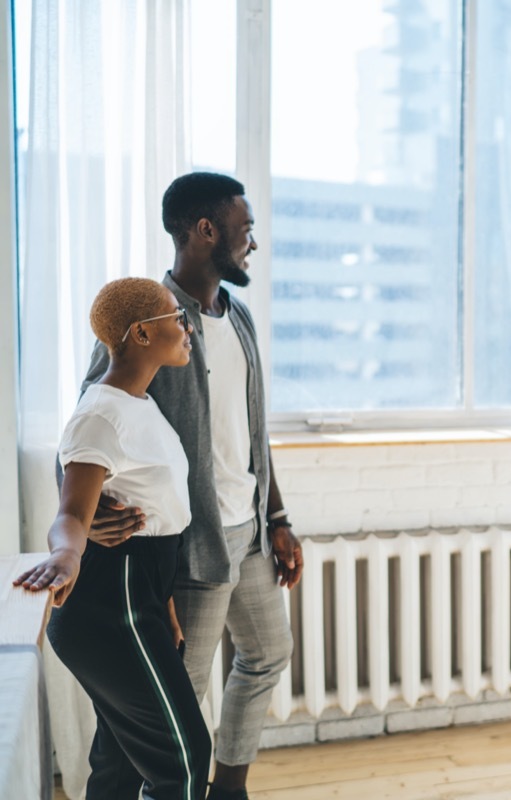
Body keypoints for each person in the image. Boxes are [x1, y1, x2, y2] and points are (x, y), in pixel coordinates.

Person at [77, 172, 304, 800]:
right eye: (245, 228)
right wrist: (86, 513)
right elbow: (89, 415)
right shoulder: (151, 320)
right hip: (191, 547)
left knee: (267, 654)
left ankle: (228, 789)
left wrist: (278, 518)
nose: (253, 243)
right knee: (177, 699)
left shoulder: (242, 318)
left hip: (250, 534)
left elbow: (253, 432)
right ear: (205, 231)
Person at [16, 277, 210, 799]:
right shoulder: (99, 413)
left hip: (136, 595)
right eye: (176, 316)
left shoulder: (139, 406)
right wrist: (65, 552)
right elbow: (73, 514)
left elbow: (158, 518)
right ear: (141, 334)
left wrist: (161, 601)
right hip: (109, 606)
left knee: (121, 765)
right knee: (185, 762)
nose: (187, 326)